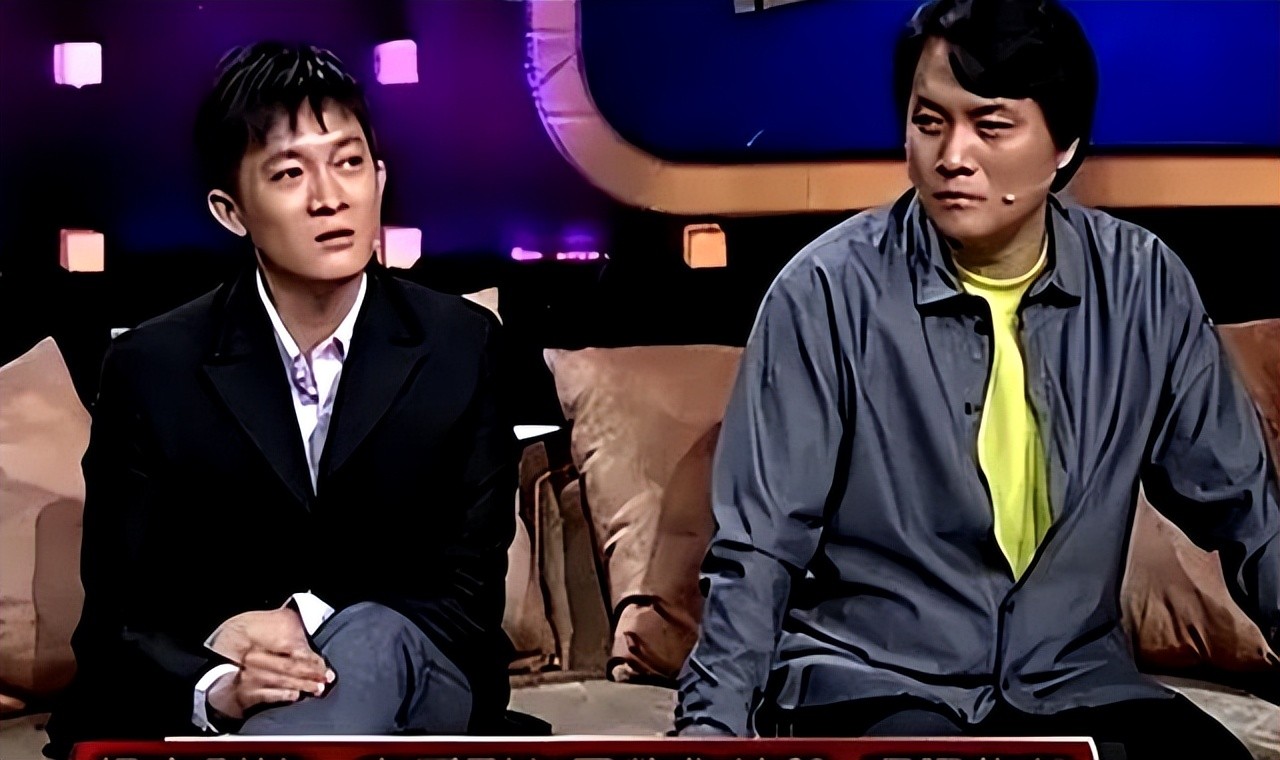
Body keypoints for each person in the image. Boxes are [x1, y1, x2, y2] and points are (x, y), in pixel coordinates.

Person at [674, 2, 1278, 757]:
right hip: (877, 680)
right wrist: (709, 733)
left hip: (1069, 681)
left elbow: (1247, 512)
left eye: (990, 126)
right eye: (930, 123)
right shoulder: (825, 293)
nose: (952, 156)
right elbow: (758, 547)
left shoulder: (1142, 288)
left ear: (1064, 144)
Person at [45, 42, 517, 757]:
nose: (330, 197)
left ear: (380, 178)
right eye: (290, 173)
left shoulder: (461, 346)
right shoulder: (153, 368)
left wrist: (306, 621)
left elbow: (468, 598)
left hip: (425, 676)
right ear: (231, 210)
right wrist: (221, 681)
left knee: (373, 638)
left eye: (349, 163)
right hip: (234, 700)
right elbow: (118, 618)